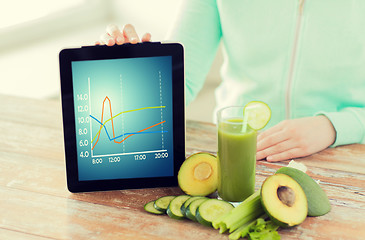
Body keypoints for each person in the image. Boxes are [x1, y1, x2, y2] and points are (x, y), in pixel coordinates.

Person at [96, 0, 365, 162]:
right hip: (240, 154)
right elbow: (180, 78)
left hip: (345, 157)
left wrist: (333, 127)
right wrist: (130, 73)